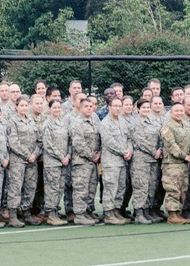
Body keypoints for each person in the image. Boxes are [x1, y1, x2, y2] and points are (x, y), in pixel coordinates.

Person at [7, 96, 41, 227]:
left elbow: (39, 141)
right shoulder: (12, 122)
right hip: (18, 160)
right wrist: (28, 155)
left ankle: (27, 213)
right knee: (15, 187)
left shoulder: (31, 121)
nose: (24, 108)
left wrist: (34, 154)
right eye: (21, 105)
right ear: (16, 107)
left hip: (32, 161)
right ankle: (13, 215)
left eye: (26, 105)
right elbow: (13, 142)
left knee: (30, 187)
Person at [98, 96, 132, 225]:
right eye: (115, 106)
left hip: (123, 161)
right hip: (111, 162)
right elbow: (109, 142)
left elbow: (129, 138)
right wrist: (124, 152)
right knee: (111, 187)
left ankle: (117, 211)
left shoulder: (122, 121)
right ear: (109, 107)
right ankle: (109, 213)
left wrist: (130, 151)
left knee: (121, 188)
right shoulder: (105, 123)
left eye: (119, 106)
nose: (118, 108)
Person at [160, 101, 190, 225]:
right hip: (172, 164)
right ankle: (172, 215)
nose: (179, 113)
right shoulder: (167, 127)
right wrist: (185, 156)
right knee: (173, 189)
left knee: (182, 189)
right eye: (177, 111)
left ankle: (178, 213)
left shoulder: (186, 125)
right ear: (171, 112)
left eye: (181, 111)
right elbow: (171, 145)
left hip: (184, 164)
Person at [69, 97, 101, 226]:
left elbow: (99, 139)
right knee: (81, 189)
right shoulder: (77, 123)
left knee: (91, 188)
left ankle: (87, 211)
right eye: (86, 106)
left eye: (91, 106)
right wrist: (92, 155)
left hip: (93, 162)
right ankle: (79, 214)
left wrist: (98, 153)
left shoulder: (95, 120)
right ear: (80, 108)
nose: (89, 108)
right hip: (81, 161)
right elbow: (78, 143)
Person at [130, 98, 162, 225]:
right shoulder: (135, 123)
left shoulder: (154, 121)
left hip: (153, 160)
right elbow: (140, 141)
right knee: (141, 186)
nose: (146, 110)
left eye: (148, 107)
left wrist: (159, 149)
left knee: (151, 186)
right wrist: (154, 152)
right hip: (141, 160)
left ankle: (147, 211)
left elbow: (160, 137)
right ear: (138, 109)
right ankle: (139, 212)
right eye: (143, 108)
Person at [41, 99, 70, 226]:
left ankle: (56, 213)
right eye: (55, 108)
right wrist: (61, 157)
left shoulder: (63, 122)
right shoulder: (47, 124)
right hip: (52, 162)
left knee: (59, 188)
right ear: (50, 108)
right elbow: (48, 145)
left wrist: (67, 155)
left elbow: (69, 141)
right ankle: (51, 215)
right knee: (51, 189)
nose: (57, 110)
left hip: (63, 161)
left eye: (59, 107)